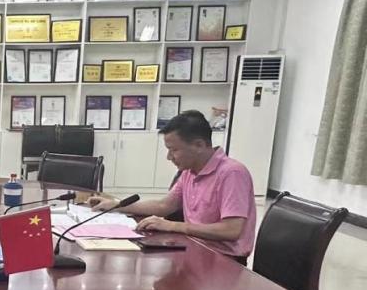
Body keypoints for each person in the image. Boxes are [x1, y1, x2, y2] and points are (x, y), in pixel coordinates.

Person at [88, 110, 256, 263]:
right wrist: (116, 205)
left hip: (224, 260)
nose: (169, 157)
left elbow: (231, 230)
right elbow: (164, 206)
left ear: (199, 145)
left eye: (174, 150)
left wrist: (174, 226)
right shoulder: (190, 171)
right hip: (193, 249)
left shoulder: (232, 173)